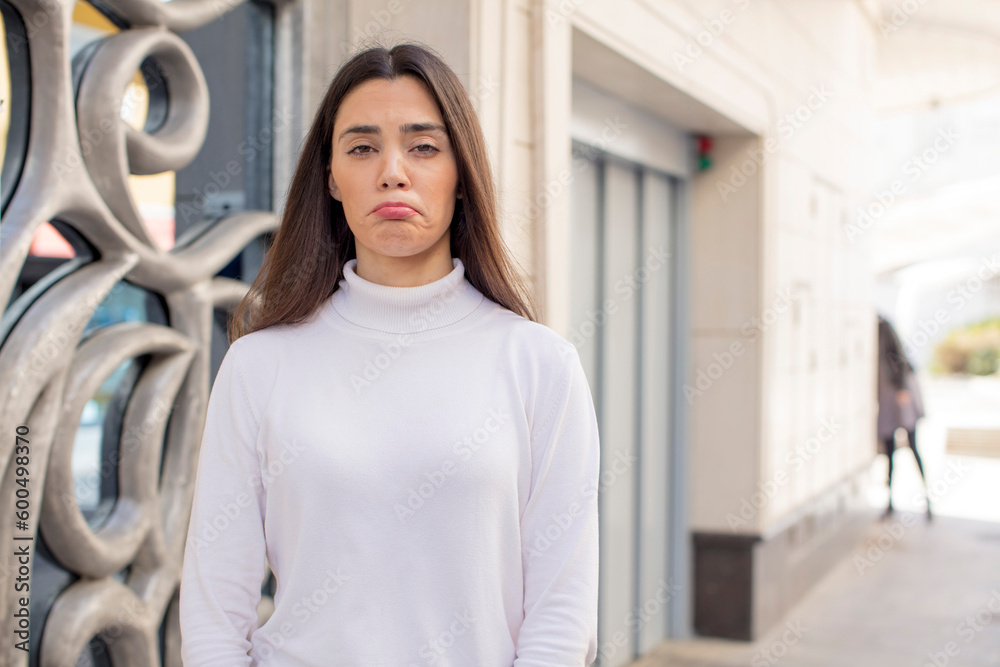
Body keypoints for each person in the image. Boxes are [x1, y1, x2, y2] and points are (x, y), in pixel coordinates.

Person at [178, 42, 601, 666]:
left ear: (461, 175)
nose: (392, 171)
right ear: (331, 177)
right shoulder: (258, 365)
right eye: (362, 146)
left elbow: (562, 615)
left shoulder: (540, 365)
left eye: (423, 146)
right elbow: (215, 605)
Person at [876, 314, 931, 520]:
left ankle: (927, 501)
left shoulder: (883, 325)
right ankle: (889, 502)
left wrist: (900, 388)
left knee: (913, 447)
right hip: (886, 398)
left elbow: (898, 354)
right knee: (889, 451)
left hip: (899, 395)